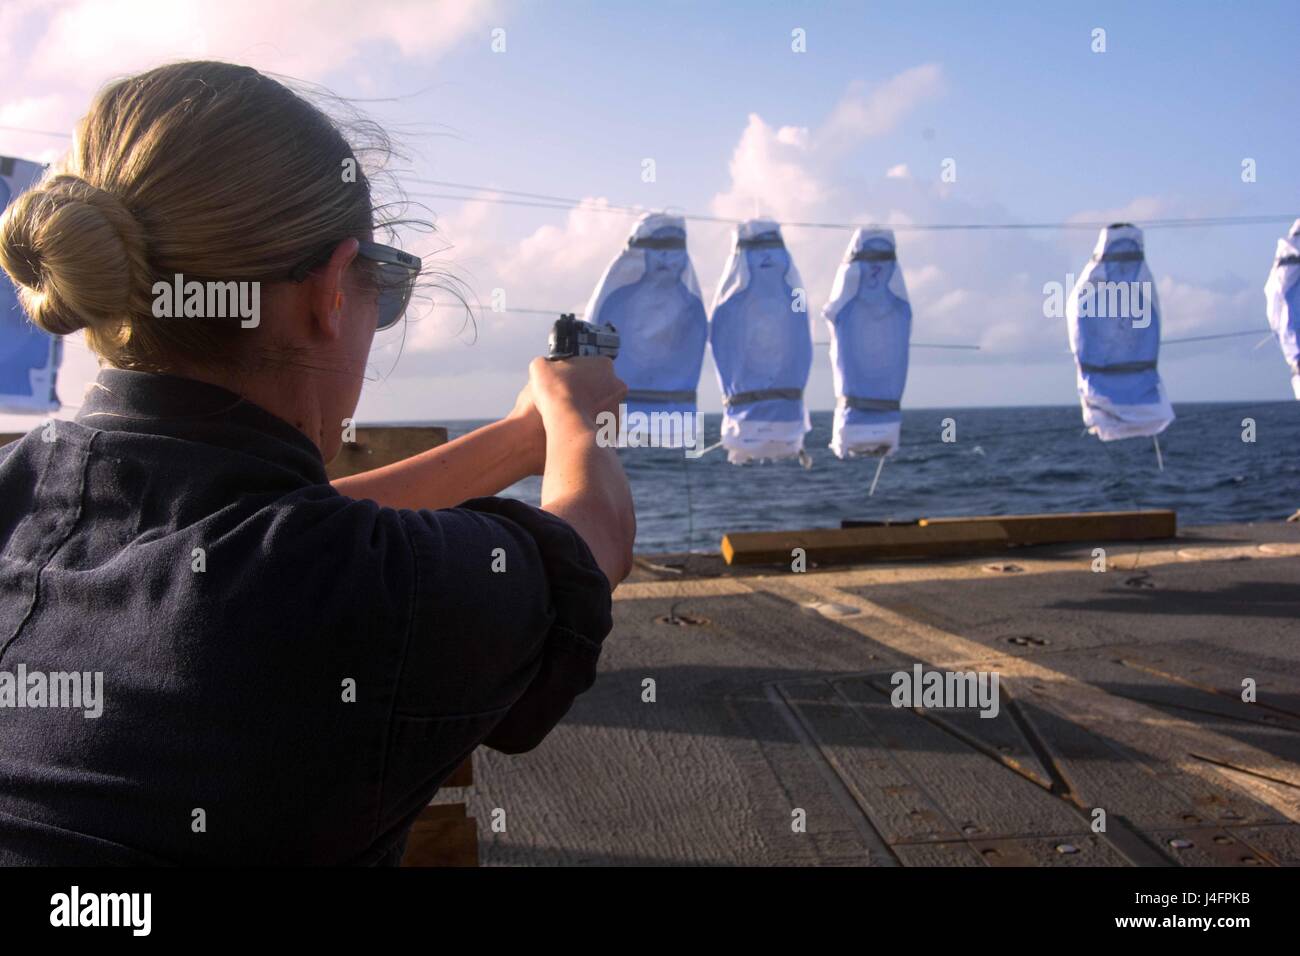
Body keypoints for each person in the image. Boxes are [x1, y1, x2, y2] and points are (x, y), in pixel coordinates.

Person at [0, 61, 634, 865]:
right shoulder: (338, 593)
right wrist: (579, 417)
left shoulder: (23, 493)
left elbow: (259, 532)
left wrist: (521, 439)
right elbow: (594, 541)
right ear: (330, 293)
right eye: (387, 289)